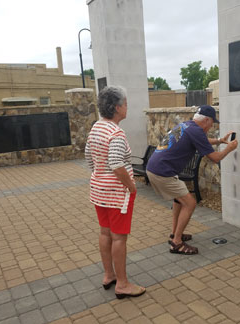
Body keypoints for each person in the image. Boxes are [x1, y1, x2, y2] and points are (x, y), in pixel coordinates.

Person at [146, 105, 238, 255]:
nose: (212, 125)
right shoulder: (196, 131)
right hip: (163, 172)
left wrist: (220, 141)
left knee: (179, 200)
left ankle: (175, 234)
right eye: (212, 123)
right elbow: (215, 158)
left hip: (154, 168)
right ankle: (177, 243)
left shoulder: (187, 126)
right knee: (190, 203)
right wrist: (230, 148)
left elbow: (203, 141)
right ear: (206, 120)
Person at [85, 86, 146, 299]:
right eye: (126, 104)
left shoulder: (96, 128)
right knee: (119, 237)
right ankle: (122, 284)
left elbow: (89, 157)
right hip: (117, 195)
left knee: (105, 232)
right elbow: (117, 164)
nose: (128, 107)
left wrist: (99, 175)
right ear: (118, 107)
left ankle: (109, 275)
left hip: (98, 191)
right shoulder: (116, 133)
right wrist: (130, 184)